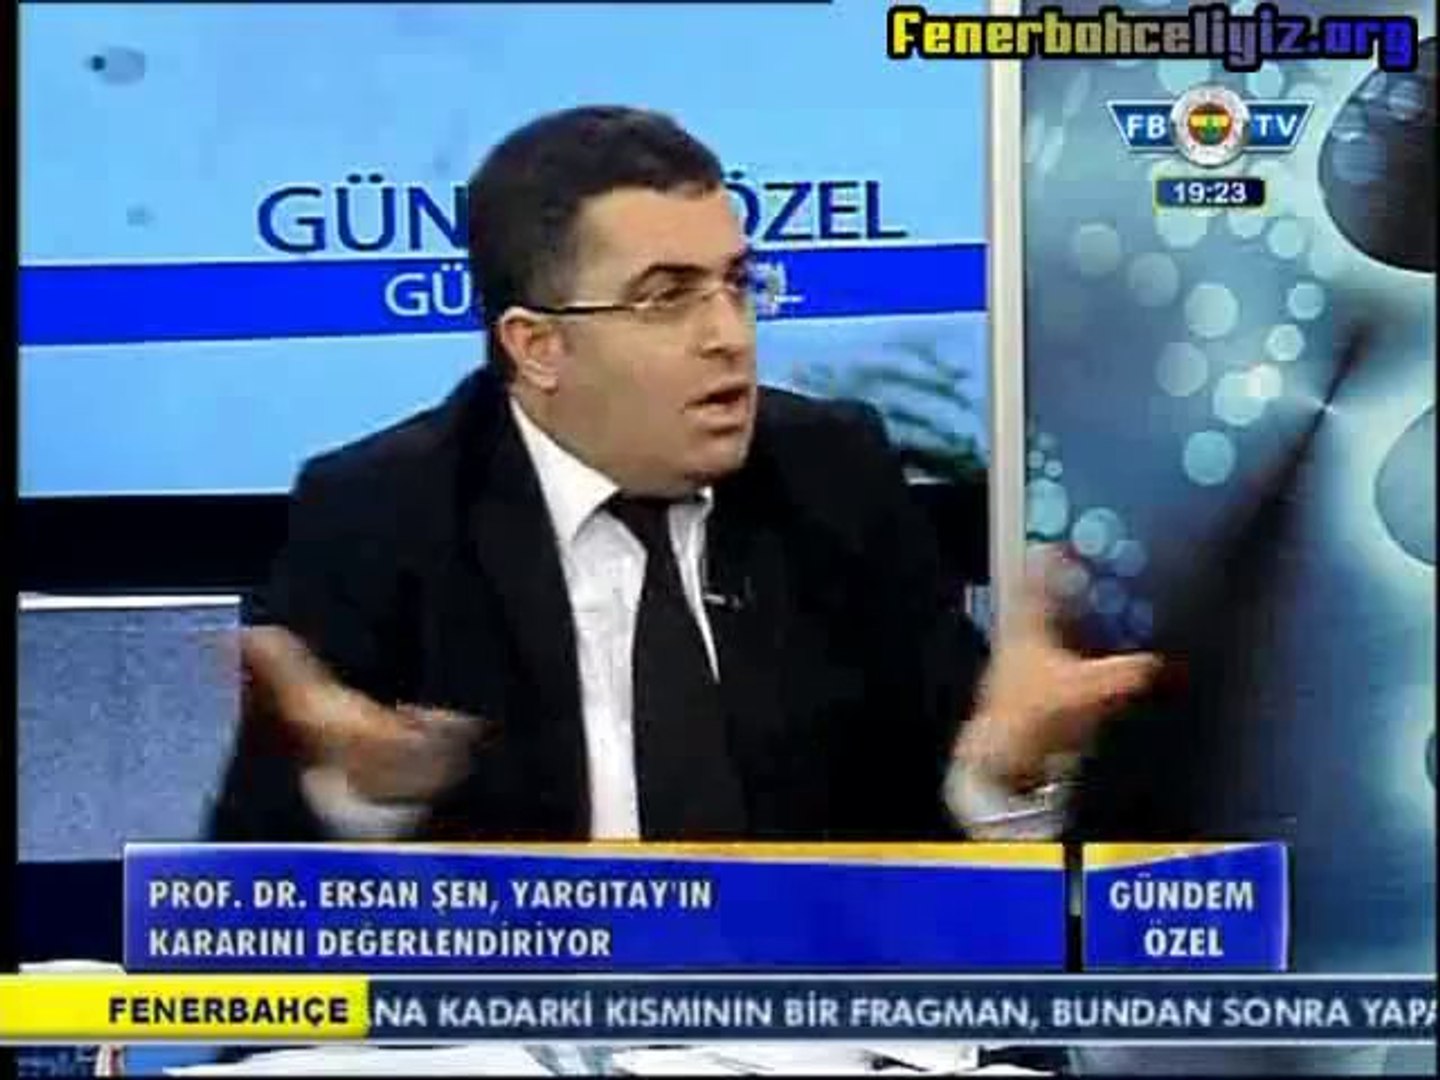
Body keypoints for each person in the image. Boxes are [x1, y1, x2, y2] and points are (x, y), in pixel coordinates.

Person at [209, 105, 1159, 845]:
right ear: (537, 347)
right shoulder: (384, 513)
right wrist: (367, 803)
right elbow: (241, 919)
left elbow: (931, 844)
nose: (729, 336)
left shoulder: (833, 477)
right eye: (667, 298)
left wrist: (999, 774)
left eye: (737, 284)